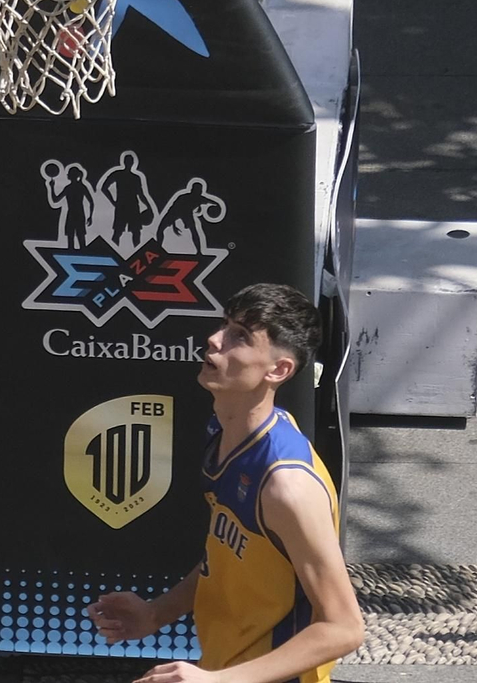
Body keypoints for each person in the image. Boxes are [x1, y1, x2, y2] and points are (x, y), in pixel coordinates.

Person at [86, 284, 363, 683]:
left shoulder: (286, 486)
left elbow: (343, 627)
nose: (214, 340)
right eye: (224, 325)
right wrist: (155, 613)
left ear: (278, 370)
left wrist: (217, 681)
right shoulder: (226, 433)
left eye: (240, 336)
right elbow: (228, 556)